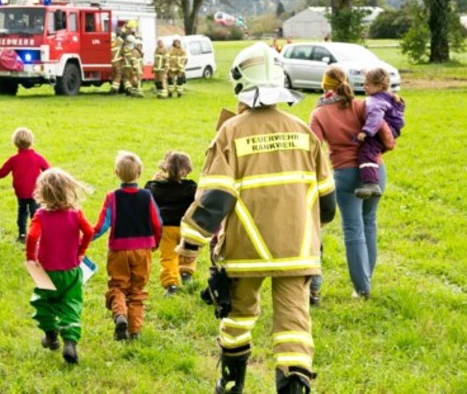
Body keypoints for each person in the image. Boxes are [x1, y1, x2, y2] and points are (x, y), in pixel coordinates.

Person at [175, 43, 336, 394]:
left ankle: (232, 382)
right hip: (298, 251)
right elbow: (328, 206)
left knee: (238, 317)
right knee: (295, 325)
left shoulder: (231, 132)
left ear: (240, 84)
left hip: (246, 251)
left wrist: (190, 244)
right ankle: (294, 385)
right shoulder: (304, 132)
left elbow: (214, 198)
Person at [309, 66, 396, 300]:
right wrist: (381, 152)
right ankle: (366, 280)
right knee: (369, 222)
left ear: (325, 86)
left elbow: (312, 149)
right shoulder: (362, 105)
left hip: (345, 174)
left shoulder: (318, 114)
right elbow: (387, 135)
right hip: (376, 171)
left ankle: (362, 289)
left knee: (353, 229)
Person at [26, 168, 94, 365]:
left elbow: (31, 236)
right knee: (71, 305)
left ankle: (51, 335)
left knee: (43, 303)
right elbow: (89, 231)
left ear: (43, 192)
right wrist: (81, 251)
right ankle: (70, 343)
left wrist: (31, 257)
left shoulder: (40, 215)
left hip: (46, 272)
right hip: (71, 271)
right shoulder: (76, 213)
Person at [92, 151, 162, 341]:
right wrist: (154, 243)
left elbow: (102, 226)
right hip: (143, 250)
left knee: (118, 286)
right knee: (137, 290)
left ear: (116, 173)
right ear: (139, 173)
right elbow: (157, 222)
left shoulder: (112, 197)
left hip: (119, 251)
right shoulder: (147, 196)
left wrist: (85, 239)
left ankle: (120, 315)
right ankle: (135, 331)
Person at [144, 151, 197, 295]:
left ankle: (171, 284)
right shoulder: (191, 187)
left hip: (166, 228)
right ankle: (186, 273)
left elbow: (145, 195)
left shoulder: (156, 187)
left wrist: (152, 181)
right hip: (186, 227)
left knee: (168, 257)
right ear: (186, 169)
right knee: (188, 251)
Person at [0, 127, 51, 243]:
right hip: (35, 192)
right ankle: (36, 236)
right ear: (31, 141)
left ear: (15, 143)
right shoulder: (37, 158)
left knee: (22, 212)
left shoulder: (13, 159)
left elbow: (1, 173)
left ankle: (22, 235)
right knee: (36, 214)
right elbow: (49, 171)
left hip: (21, 193)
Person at [354, 67, 405, 198]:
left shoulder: (375, 101)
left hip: (382, 130)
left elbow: (375, 118)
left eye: (367, 84)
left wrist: (366, 132)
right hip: (393, 129)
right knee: (373, 151)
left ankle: (371, 184)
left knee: (366, 153)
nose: (363, 86)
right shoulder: (389, 97)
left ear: (378, 85)